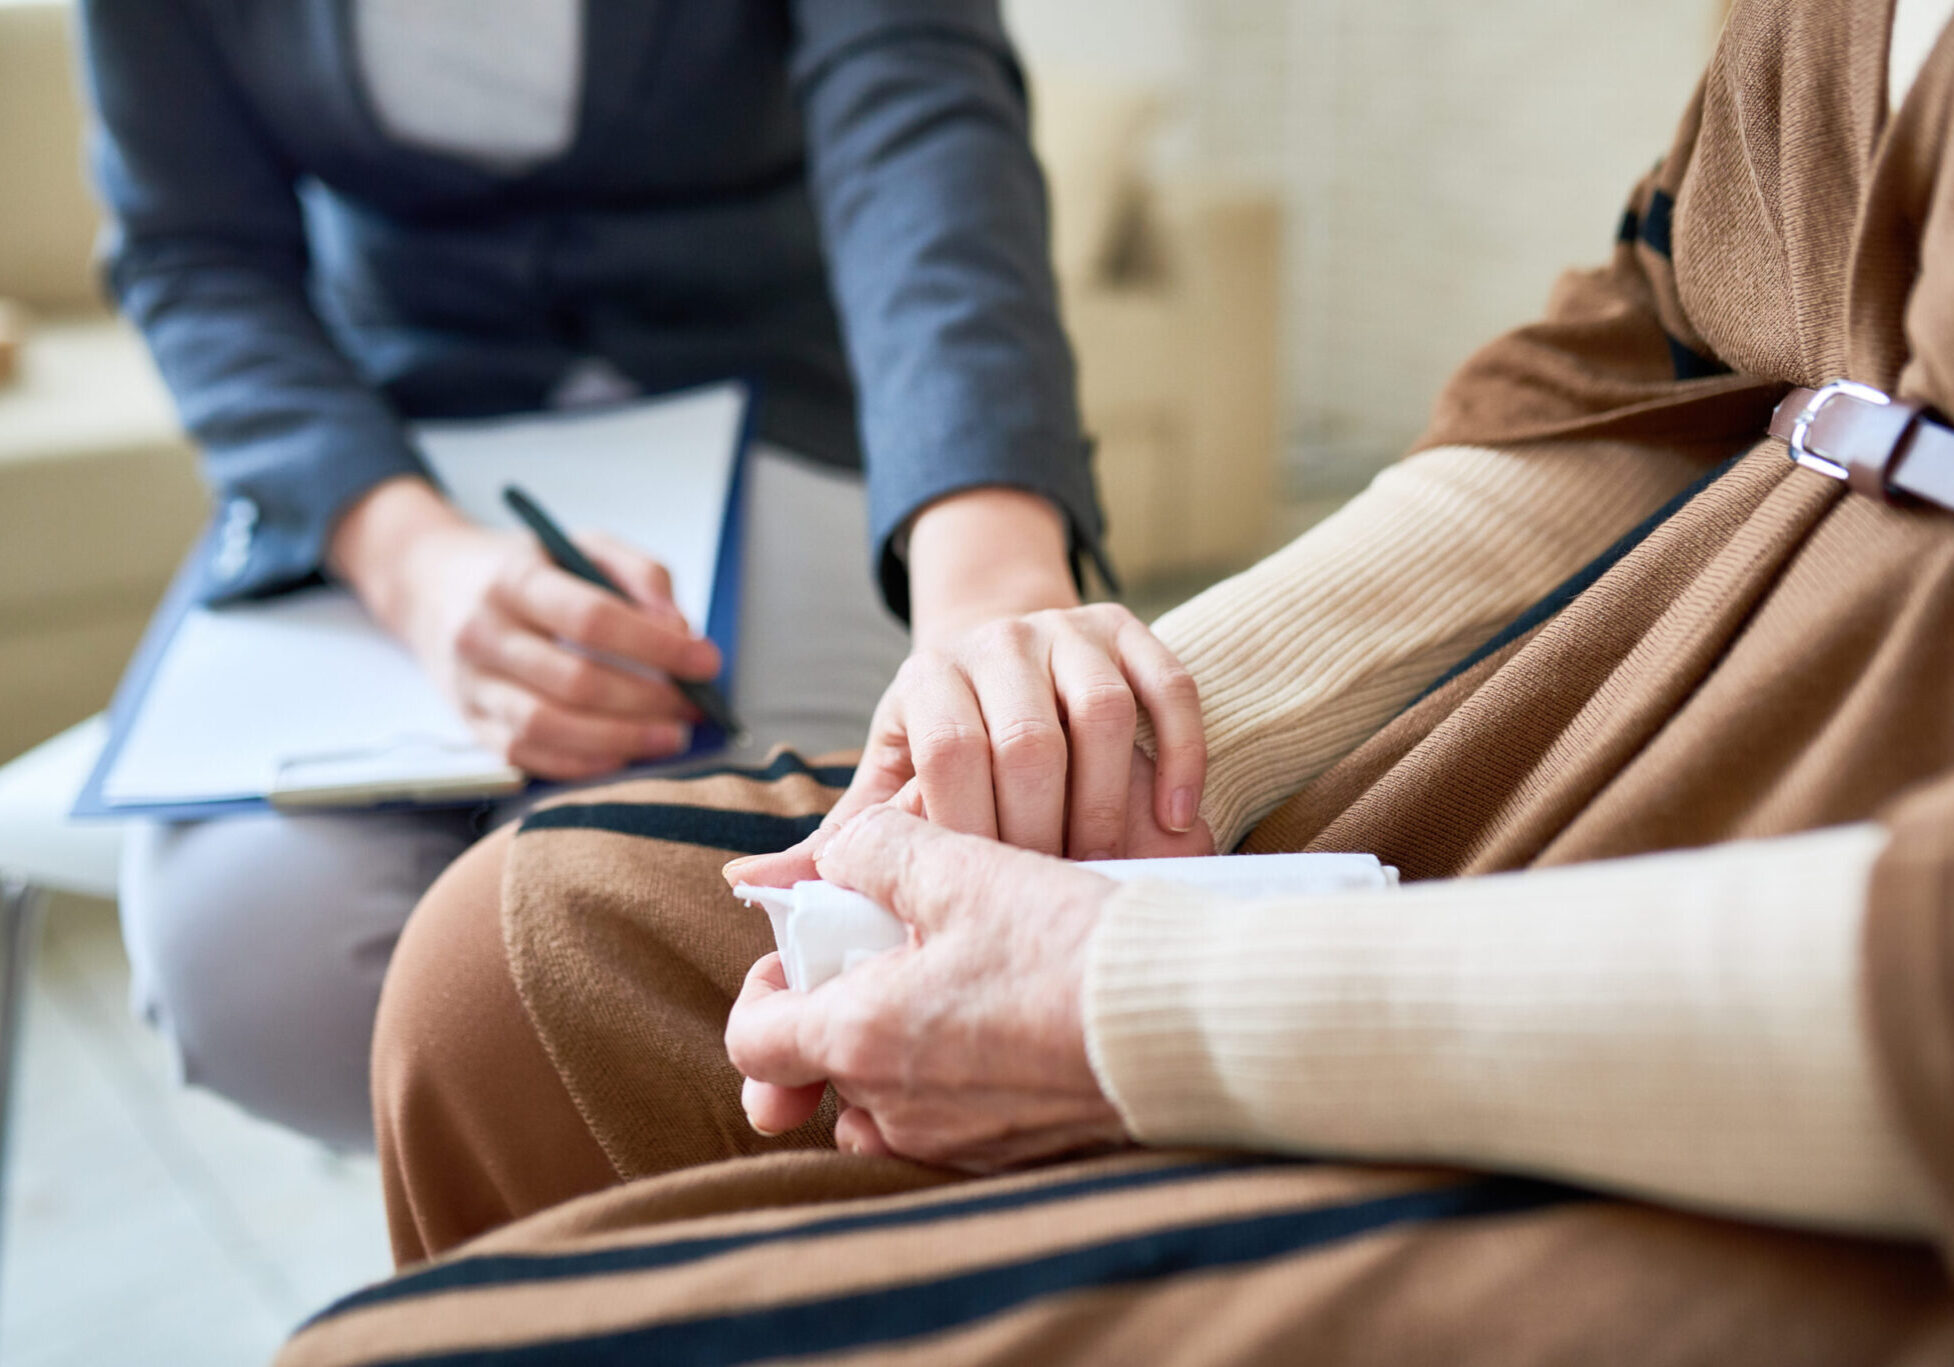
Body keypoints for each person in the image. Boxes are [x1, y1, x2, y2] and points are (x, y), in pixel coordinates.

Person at [283, 0, 1954, 1362]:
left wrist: (1145, 999)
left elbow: (908, 114)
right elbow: (1648, 348)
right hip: (1627, 689)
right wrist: (1133, 729)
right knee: (506, 960)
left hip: (1863, 1013)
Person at [79, 0, 1206, 1149]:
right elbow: (191, 249)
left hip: (786, 403)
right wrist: (412, 562)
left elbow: (916, 121)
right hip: (394, 455)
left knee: (808, 933)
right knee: (252, 971)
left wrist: (989, 577)